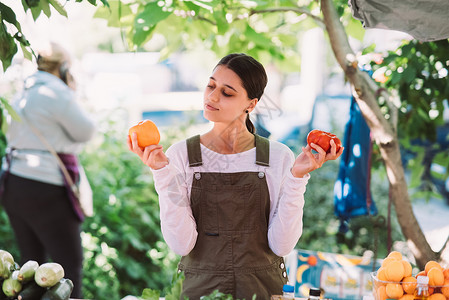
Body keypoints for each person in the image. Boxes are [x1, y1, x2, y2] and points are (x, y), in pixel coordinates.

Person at [128, 53, 343, 299]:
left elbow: (281, 246)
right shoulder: (180, 155)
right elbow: (181, 244)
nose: (212, 96)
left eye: (227, 93)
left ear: (251, 104)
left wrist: (297, 178)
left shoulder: (277, 157)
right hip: (200, 291)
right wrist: (162, 173)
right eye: (211, 85)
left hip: (263, 290)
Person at [0, 42, 95, 298]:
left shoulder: (23, 93)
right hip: (46, 187)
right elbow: (86, 131)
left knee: (30, 268)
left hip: (13, 183)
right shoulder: (56, 92)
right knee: (68, 266)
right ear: (63, 67)